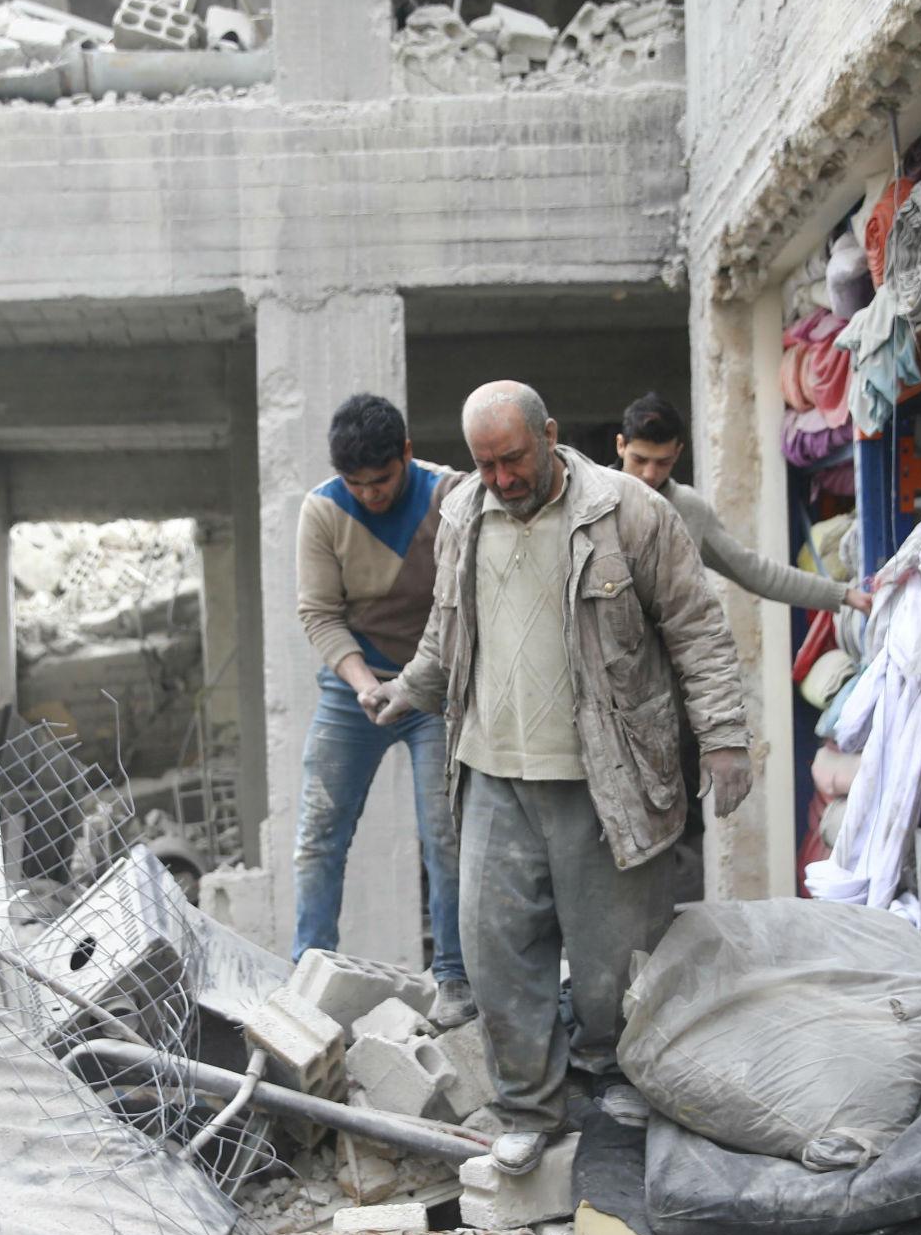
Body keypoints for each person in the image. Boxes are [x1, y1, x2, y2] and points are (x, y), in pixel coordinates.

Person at [364, 381, 753, 1174]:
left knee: (612, 958)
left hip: (600, 774)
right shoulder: (463, 515)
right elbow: (446, 632)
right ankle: (528, 1106)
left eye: (513, 459)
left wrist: (723, 739)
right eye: (485, 463)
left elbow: (697, 629)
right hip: (492, 772)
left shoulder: (629, 513)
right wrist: (408, 688)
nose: (501, 478)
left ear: (550, 433)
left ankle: (618, 1076)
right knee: (495, 950)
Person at [293, 393, 469, 1024]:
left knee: (445, 838)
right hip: (354, 689)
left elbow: (464, 605)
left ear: (408, 455)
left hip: (434, 689)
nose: (369, 495)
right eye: (355, 484)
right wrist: (363, 680)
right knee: (319, 835)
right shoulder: (322, 510)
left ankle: (453, 978)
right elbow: (319, 612)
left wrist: (418, 683)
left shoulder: (453, 498)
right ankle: (307, 975)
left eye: (383, 480)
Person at [614, 392, 873, 615]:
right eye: (640, 459)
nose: (649, 473)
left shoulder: (688, 509)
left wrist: (845, 595)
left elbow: (754, 571)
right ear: (621, 445)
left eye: (662, 463)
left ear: (678, 453)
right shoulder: (589, 501)